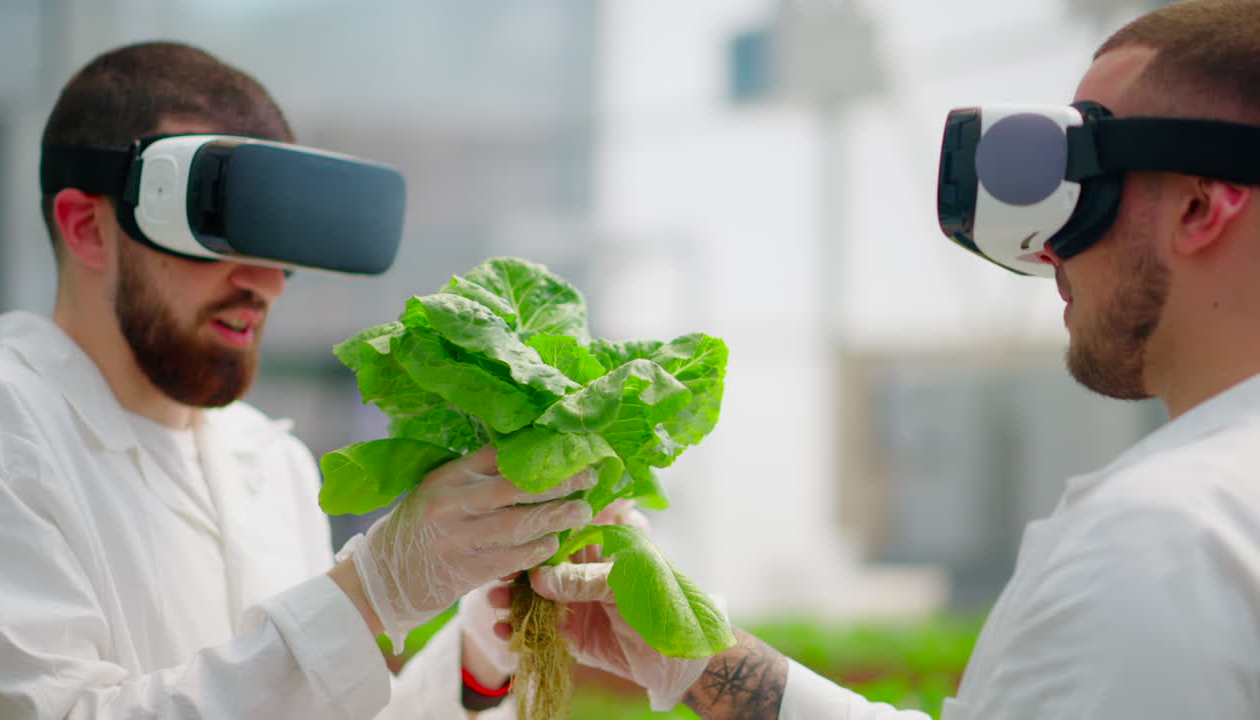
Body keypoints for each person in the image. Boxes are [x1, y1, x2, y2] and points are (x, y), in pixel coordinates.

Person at [479, 1, 1260, 717]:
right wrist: (700, 661)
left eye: (1079, 188)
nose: (1049, 247)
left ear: (1200, 203)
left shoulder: (1163, 539)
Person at [0, 41, 597, 718]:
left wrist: (478, 661)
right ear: (87, 227)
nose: (269, 284)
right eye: (220, 232)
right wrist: (366, 594)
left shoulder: (272, 464)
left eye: (278, 247)